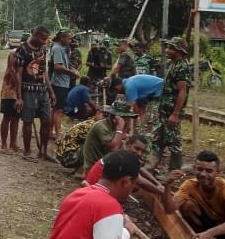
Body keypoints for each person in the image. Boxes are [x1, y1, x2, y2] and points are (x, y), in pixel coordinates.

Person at [144, 37, 192, 172]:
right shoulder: (173, 64)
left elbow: (183, 92)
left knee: (174, 143)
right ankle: (150, 167)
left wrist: (175, 114)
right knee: (158, 139)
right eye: (167, 47)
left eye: (171, 48)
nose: (167, 50)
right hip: (164, 112)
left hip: (171, 113)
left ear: (179, 51)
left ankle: (175, 172)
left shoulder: (182, 67)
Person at [13, 26, 55, 162]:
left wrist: (51, 91)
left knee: (47, 121)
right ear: (36, 35)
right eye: (43, 38)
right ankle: (27, 151)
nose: (44, 42)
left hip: (42, 91)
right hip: (27, 91)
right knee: (28, 121)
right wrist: (19, 97)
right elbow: (18, 74)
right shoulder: (22, 49)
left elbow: (44, 72)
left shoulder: (43, 49)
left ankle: (43, 151)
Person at [83, 135, 164, 196]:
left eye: (142, 151)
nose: (139, 153)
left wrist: (157, 183)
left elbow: (141, 169)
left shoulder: (125, 154)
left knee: (133, 184)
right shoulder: (122, 157)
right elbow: (140, 181)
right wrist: (162, 193)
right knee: (134, 184)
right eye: (137, 149)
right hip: (94, 188)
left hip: (96, 185)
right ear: (128, 144)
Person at [82, 99, 136, 172]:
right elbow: (114, 149)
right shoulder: (101, 126)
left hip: (105, 164)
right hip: (94, 169)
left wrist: (125, 127)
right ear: (116, 119)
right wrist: (120, 128)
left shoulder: (113, 127)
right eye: (126, 118)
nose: (128, 121)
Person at [51, 29, 80, 141]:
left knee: (55, 109)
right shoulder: (57, 49)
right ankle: (58, 135)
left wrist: (71, 69)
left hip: (61, 82)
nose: (70, 40)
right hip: (59, 83)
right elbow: (57, 67)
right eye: (68, 38)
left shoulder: (61, 48)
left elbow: (63, 65)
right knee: (59, 110)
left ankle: (51, 131)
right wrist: (71, 73)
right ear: (62, 38)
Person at [0, 51, 21, 154]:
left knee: (16, 118)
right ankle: (4, 145)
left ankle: (13, 143)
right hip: (9, 90)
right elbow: (12, 69)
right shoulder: (14, 53)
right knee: (7, 117)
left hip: (19, 91)